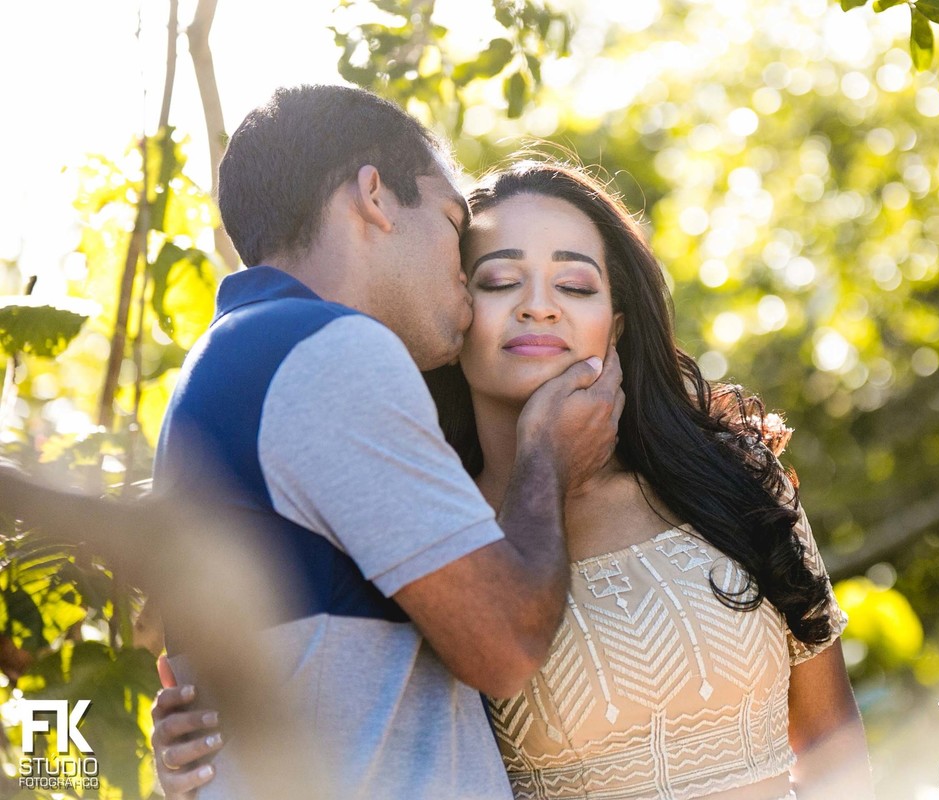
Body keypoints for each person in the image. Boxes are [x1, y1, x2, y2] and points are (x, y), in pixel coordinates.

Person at [156, 159, 873, 799]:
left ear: (615, 326)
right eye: (497, 281)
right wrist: (202, 747)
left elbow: (833, 740)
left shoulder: (732, 476)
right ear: (454, 313)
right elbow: (338, 707)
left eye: (574, 283)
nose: (539, 305)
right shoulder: (428, 541)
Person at [150, 87, 623, 800]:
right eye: (449, 221)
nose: (462, 268)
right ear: (374, 196)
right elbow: (502, 647)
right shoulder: (325, 354)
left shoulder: (229, 364)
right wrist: (547, 457)